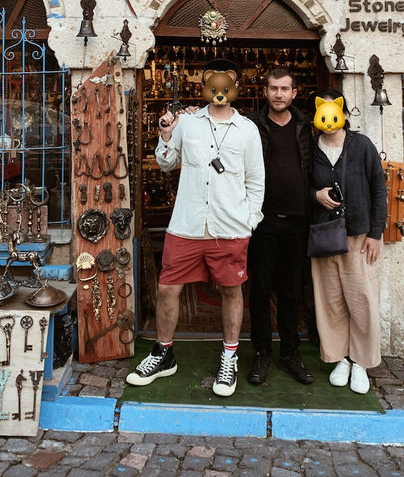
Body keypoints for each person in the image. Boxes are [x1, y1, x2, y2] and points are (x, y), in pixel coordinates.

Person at [126, 58, 264, 397]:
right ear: (204, 85)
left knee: (231, 291)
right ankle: (163, 352)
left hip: (230, 227)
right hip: (187, 223)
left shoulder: (248, 130)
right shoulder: (188, 123)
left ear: (234, 85)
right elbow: (166, 163)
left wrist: (249, 221)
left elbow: (255, 180)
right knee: (168, 288)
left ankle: (229, 355)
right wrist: (165, 133)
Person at [310, 89, 386, 394]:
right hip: (324, 235)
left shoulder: (362, 146)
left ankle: (361, 361)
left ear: (343, 113)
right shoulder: (311, 148)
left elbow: (379, 188)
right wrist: (314, 196)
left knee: (362, 300)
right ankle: (340, 357)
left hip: (358, 235)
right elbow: (300, 186)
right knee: (330, 301)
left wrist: (376, 233)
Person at [247, 67, 313, 385]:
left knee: (290, 291)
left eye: (285, 89)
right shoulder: (252, 125)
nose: (278, 94)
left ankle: (290, 353)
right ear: (265, 92)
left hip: (298, 221)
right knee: (259, 290)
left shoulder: (306, 126)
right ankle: (262, 354)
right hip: (262, 221)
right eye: (273, 88)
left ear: (294, 93)